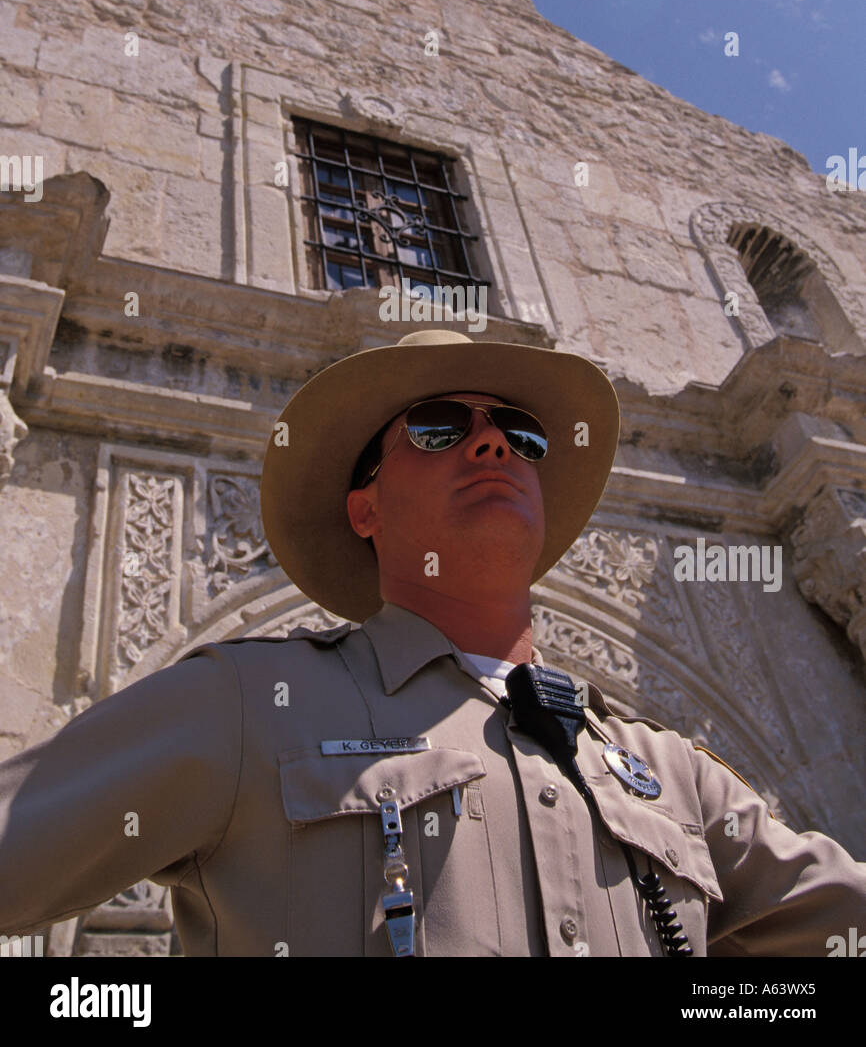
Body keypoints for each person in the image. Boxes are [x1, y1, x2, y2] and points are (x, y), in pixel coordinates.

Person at [0, 328, 864, 957]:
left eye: (520, 436)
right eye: (440, 426)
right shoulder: (246, 705)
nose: (493, 440)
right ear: (366, 508)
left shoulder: (675, 776)